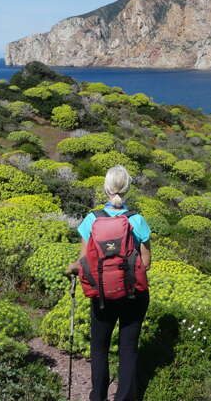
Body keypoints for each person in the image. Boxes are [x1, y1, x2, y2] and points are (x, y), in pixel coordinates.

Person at [67, 165, 151, 401]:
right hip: (133, 294)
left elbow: (84, 261)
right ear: (128, 189)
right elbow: (146, 262)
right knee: (128, 348)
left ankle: (98, 397)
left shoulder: (92, 220)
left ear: (106, 189)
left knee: (99, 347)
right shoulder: (137, 220)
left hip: (102, 294)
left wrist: (72, 270)